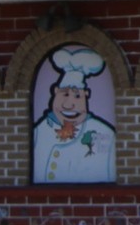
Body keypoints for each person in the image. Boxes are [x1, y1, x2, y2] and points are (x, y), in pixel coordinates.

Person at [33, 45, 116, 182]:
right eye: (64, 94)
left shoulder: (105, 134)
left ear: (86, 95)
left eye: (77, 96)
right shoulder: (39, 131)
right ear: (55, 91)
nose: (69, 104)